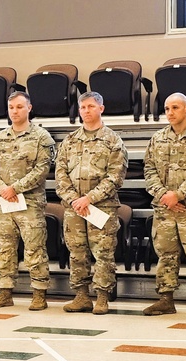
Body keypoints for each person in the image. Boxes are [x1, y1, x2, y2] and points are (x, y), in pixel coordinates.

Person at [56, 91, 128, 315]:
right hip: (74, 208)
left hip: (101, 206)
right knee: (77, 252)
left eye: (91, 106)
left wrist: (90, 198)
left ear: (101, 109)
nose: (87, 111)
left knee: (103, 252)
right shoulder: (70, 141)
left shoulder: (113, 140)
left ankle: (102, 296)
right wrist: (74, 200)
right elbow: (60, 174)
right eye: (83, 107)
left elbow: (116, 176)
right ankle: (81, 296)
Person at [0, 91, 55, 310]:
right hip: (4, 203)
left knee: (34, 248)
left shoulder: (42, 137)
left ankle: (39, 292)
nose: (15, 111)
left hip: (30, 203)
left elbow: (42, 169)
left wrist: (16, 187)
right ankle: (5, 291)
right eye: (11, 107)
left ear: (29, 109)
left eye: (19, 107)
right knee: (5, 248)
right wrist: (3, 188)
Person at [141, 93, 186, 315]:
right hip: (165, 209)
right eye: (167, 108)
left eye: (175, 108)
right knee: (166, 255)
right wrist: (165, 196)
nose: (170, 112)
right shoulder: (157, 138)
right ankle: (166, 299)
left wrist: (178, 195)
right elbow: (149, 170)